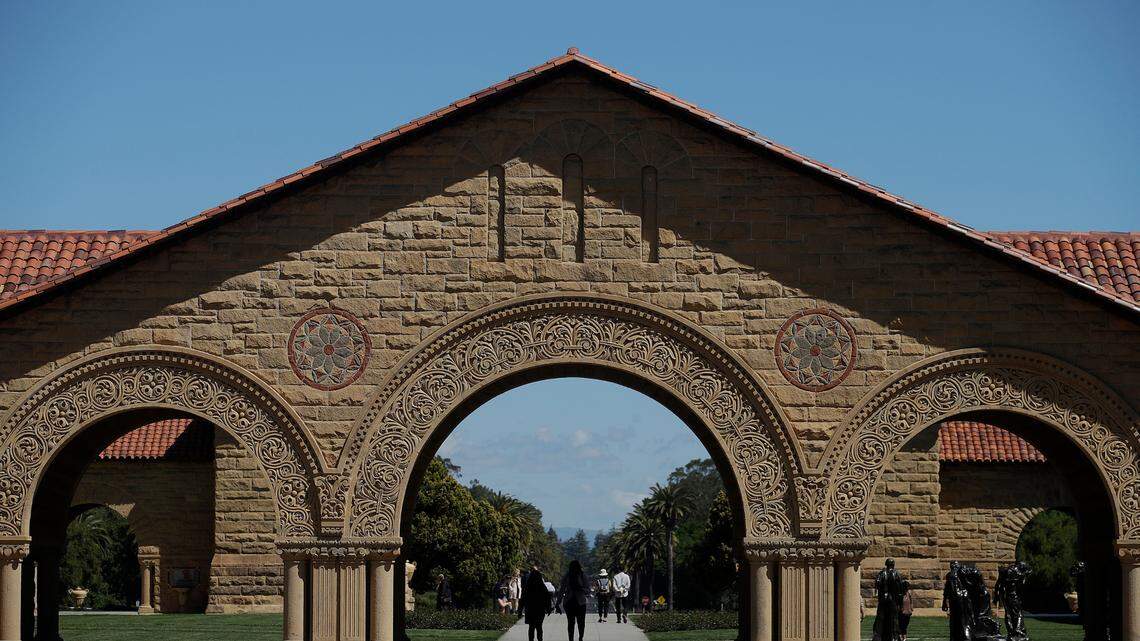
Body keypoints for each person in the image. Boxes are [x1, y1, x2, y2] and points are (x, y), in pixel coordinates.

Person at [558, 560, 590, 641]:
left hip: (569, 601)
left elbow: (561, 589)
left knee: (571, 623)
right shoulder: (583, 575)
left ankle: (571, 639)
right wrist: (581, 589)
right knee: (581, 623)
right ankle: (580, 637)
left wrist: (558, 602)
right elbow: (588, 590)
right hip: (581, 602)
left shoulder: (567, 576)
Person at [873, 558, 903, 641]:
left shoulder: (882, 573)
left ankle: (878, 636)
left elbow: (877, 584)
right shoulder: (896, 573)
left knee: (881, 618)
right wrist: (900, 602)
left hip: (884, 599)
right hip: (892, 599)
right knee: (893, 618)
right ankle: (894, 636)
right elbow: (900, 588)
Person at [520, 566, 553, 641]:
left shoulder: (528, 587)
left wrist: (520, 610)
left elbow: (522, 599)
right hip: (540, 609)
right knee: (539, 626)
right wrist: (548, 608)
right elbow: (547, 598)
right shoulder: (542, 587)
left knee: (531, 627)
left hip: (530, 609)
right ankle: (540, 639)